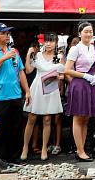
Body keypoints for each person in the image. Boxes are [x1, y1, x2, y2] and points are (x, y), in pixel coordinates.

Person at [0, 23, 31, 164]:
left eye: (8, 33)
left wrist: (27, 91)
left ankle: (14, 158)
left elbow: (21, 71)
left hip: (15, 95)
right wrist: (3, 58)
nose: (7, 35)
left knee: (15, 128)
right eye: (4, 33)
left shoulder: (14, 51)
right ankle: (0, 159)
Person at [64, 23, 95, 162]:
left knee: (86, 117)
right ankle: (79, 150)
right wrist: (84, 75)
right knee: (78, 117)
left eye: (91, 31)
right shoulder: (75, 49)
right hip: (80, 83)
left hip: (91, 83)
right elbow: (67, 69)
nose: (88, 34)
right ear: (80, 33)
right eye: (86, 31)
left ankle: (82, 149)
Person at [22, 33, 65, 161]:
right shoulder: (38, 55)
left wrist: (57, 77)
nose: (48, 44)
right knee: (32, 117)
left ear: (56, 43)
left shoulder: (58, 57)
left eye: (51, 41)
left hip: (51, 86)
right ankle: (25, 147)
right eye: (46, 41)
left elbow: (62, 74)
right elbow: (28, 70)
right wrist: (28, 55)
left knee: (47, 119)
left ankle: (44, 148)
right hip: (37, 86)